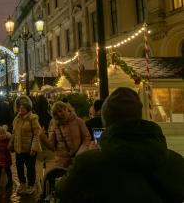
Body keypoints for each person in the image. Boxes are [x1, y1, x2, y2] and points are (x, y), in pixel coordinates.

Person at [56, 87, 184, 203]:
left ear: (106, 121)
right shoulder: (176, 162)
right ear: (140, 116)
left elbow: (63, 192)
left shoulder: (87, 164)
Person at [39, 101, 91, 168]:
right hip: (61, 160)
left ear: (68, 109)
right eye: (60, 111)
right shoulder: (54, 125)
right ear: (56, 114)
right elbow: (52, 146)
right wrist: (42, 137)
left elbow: (86, 137)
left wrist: (81, 152)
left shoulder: (78, 121)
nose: (63, 112)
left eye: (64, 109)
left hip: (78, 158)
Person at [9, 100, 41, 195]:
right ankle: (22, 183)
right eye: (20, 108)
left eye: (23, 108)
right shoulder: (17, 119)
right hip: (19, 148)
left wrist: (34, 148)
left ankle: (31, 185)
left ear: (28, 109)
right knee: (19, 167)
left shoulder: (32, 118)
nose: (20, 110)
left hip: (29, 149)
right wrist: (11, 143)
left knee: (30, 168)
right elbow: (14, 133)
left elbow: (37, 134)